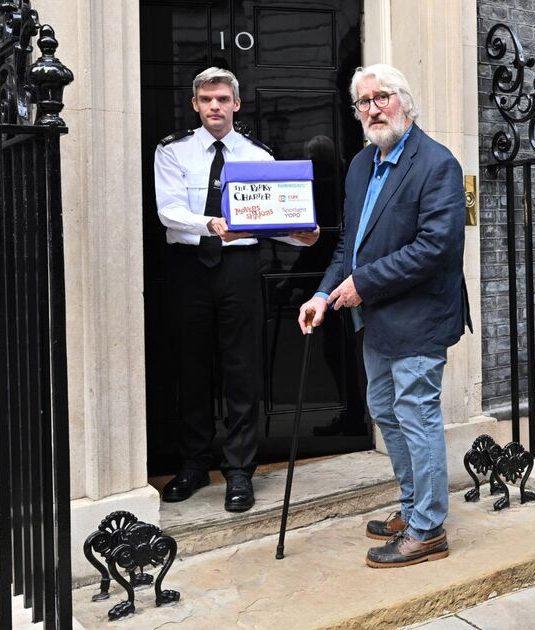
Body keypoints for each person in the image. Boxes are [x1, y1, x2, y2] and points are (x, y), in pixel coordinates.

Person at [298, 63, 471, 568]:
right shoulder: (359, 166)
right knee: (388, 413)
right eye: (364, 101)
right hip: (375, 320)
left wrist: (362, 285)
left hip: (419, 317)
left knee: (416, 414)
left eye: (383, 97)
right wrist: (324, 294)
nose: (373, 108)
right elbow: (350, 247)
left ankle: (428, 529)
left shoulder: (437, 164)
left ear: (406, 103)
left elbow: (435, 247)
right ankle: (413, 506)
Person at [154, 66, 319, 513]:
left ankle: (240, 470)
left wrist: (298, 235)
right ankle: (192, 464)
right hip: (190, 267)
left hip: (240, 268)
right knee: (192, 366)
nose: (214, 107)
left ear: (236, 103)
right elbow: (168, 211)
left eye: (223, 99)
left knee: (242, 367)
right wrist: (209, 224)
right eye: (207, 99)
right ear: (195, 104)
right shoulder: (173, 151)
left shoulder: (258, 156)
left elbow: (267, 219)